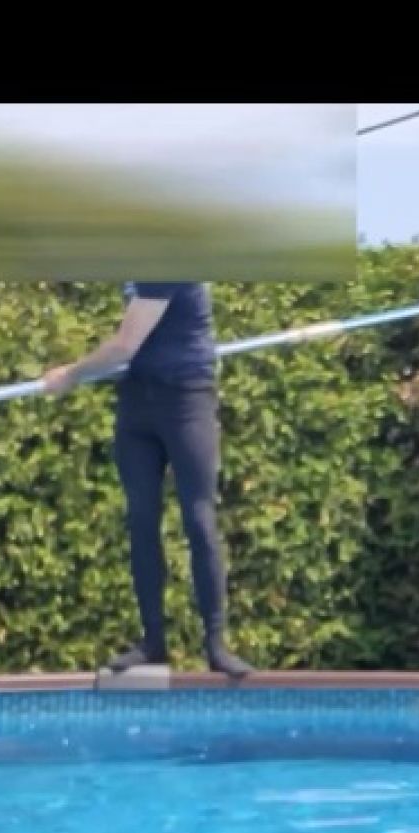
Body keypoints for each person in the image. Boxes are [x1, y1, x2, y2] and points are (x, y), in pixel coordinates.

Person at [41, 282, 254, 677]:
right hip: (137, 400)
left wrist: (70, 375)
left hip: (186, 400)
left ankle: (216, 644)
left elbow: (125, 344)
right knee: (141, 519)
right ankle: (152, 642)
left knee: (199, 518)